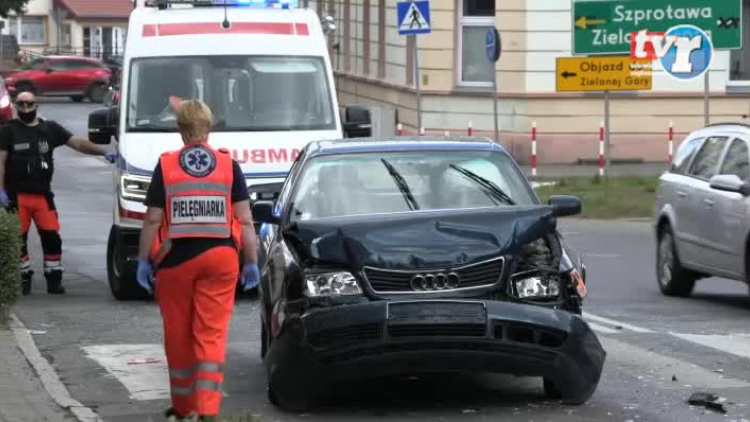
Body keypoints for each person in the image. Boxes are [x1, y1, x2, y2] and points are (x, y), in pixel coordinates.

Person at [135, 99, 259, 421]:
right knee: (211, 334)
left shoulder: (167, 166)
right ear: (209, 127)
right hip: (221, 259)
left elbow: (152, 219)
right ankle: (206, 411)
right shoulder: (228, 165)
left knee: (178, 335)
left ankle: (182, 408)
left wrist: (143, 260)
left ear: (180, 129)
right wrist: (251, 261)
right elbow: (245, 220)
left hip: (175, 261)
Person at [0, 91, 117, 295]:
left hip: (42, 196)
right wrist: (1, 191)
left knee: (52, 237)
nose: (26, 108)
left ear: (37, 105)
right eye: (21, 104)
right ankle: (22, 279)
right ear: (15, 106)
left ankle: (54, 279)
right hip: (17, 196)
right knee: (18, 240)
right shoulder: (7, 131)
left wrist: (104, 152)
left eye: (29, 104)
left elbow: (77, 143)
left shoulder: (50, 129)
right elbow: (0, 162)